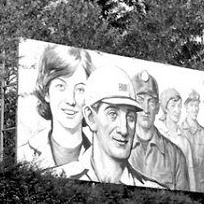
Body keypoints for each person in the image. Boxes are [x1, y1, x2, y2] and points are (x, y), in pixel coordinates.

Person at [62, 65, 165, 188]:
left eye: (130, 117)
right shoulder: (60, 178)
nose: (124, 130)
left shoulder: (153, 190)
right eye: (113, 114)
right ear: (90, 117)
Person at [19, 44, 94, 172]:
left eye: (80, 89)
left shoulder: (103, 156)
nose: (71, 100)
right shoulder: (25, 155)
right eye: (61, 87)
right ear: (46, 93)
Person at [128, 70, 189, 191]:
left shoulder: (175, 155)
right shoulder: (118, 150)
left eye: (151, 101)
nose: (145, 109)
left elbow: (183, 198)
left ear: (157, 107)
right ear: (131, 105)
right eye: (140, 100)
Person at [158, 87, 197, 189]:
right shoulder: (158, 135)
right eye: (173, 106)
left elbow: (191, 174)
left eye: (179, 106)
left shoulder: (184, 142)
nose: (177, 110)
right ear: (165, 108)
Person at [180, 90, 204, 192]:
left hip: (199, 185)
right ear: (186, 107)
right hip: (181, 183)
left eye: (196, 106)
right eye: (191, 105)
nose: (194, 109)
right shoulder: (178, 131)